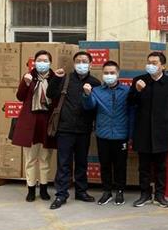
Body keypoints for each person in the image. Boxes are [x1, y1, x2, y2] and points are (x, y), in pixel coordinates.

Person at [47, 51, 101, 210]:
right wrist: (56, 78)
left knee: (82, 162)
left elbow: (96, 107)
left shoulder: (95, 83)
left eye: (84, 61)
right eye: (78, 61)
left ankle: (81, 191)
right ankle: (61, 194)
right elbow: (50, 94)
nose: (81, 64)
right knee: (63, 163)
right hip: (65, 128)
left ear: (90, 64)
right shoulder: (65, 79)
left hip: (84, 129)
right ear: (74, 63)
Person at [128, 51, 168, 208]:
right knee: (144, 166)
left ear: (163, 66)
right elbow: (130, 103)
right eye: (149, 62)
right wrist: (137, 90)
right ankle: (145, 194)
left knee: (161, 166)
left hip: (162, 131)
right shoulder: (139, 81)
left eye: (154, 63)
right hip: (143, 130)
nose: (150, 65)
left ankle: (160, 195)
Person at [82, 61, 132, 206]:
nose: (109, 75)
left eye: (112, 73)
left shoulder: (127, 91)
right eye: (106, 73)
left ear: (118, 74)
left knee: (120, 165)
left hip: (121, 134)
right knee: (104, 164)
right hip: (103, 134)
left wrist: (131, 134)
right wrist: (86, 95)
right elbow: (89, 106)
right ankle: (107, 191)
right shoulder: (97, 91)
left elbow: (133, 111)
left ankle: (120, 191)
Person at [11, 50, 57, 202]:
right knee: (30, 159)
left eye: (45, 60)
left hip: (46, 123)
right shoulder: (28, 77)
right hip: (30, 123)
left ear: (50, 63)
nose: (42, 63)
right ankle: (31, 189)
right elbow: (20, 97)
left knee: (45, 159)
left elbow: (57, 99)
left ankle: (43, 189)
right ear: (34, 62)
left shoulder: (54, 78)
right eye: (39, 60)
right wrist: (25, 83)